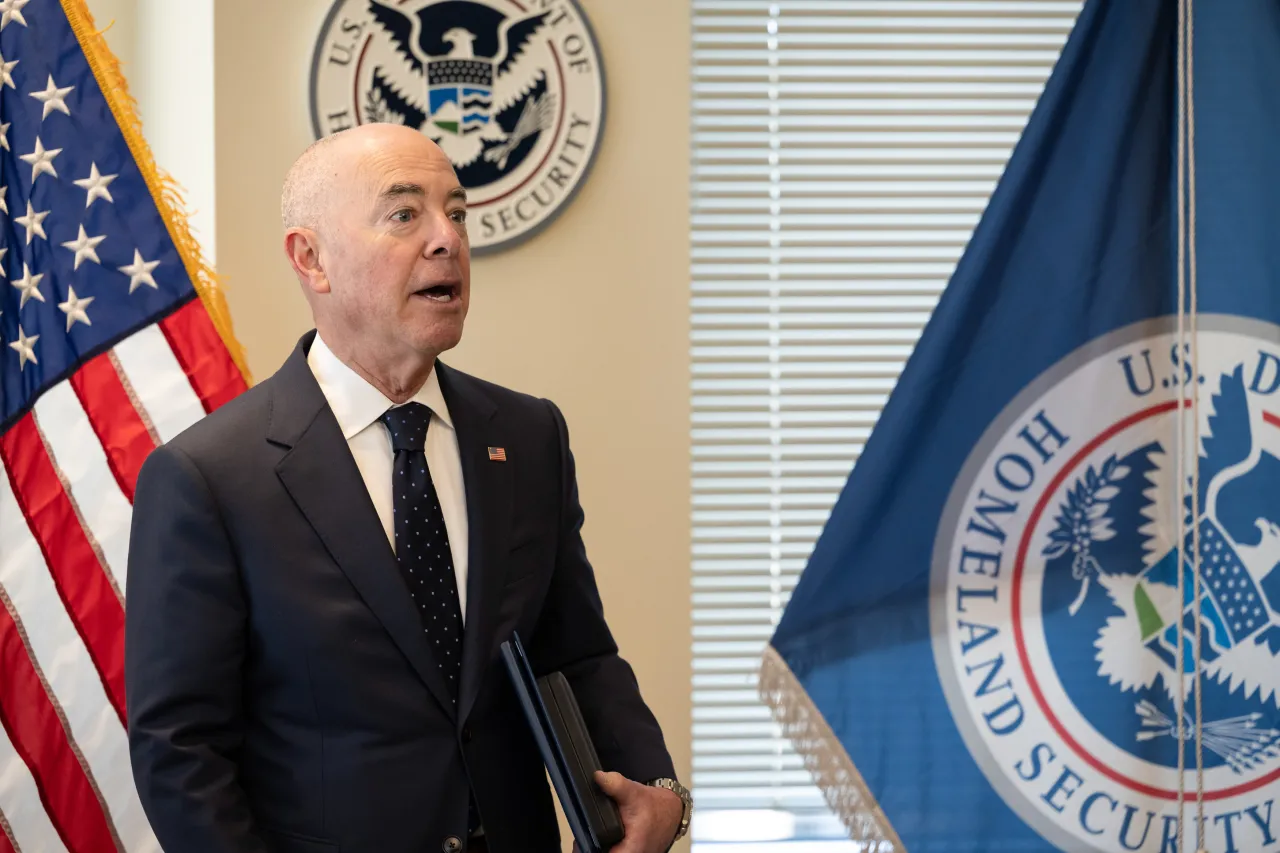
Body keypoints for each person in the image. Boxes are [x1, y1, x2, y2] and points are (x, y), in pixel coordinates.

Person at [124, 123, 691, 853]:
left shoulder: (527, 435)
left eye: (456, 213)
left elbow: (575, 652)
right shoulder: (209, 477)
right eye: (405, 214)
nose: (446, 239)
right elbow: (182, 750)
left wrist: (660, 789)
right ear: (311, 258)